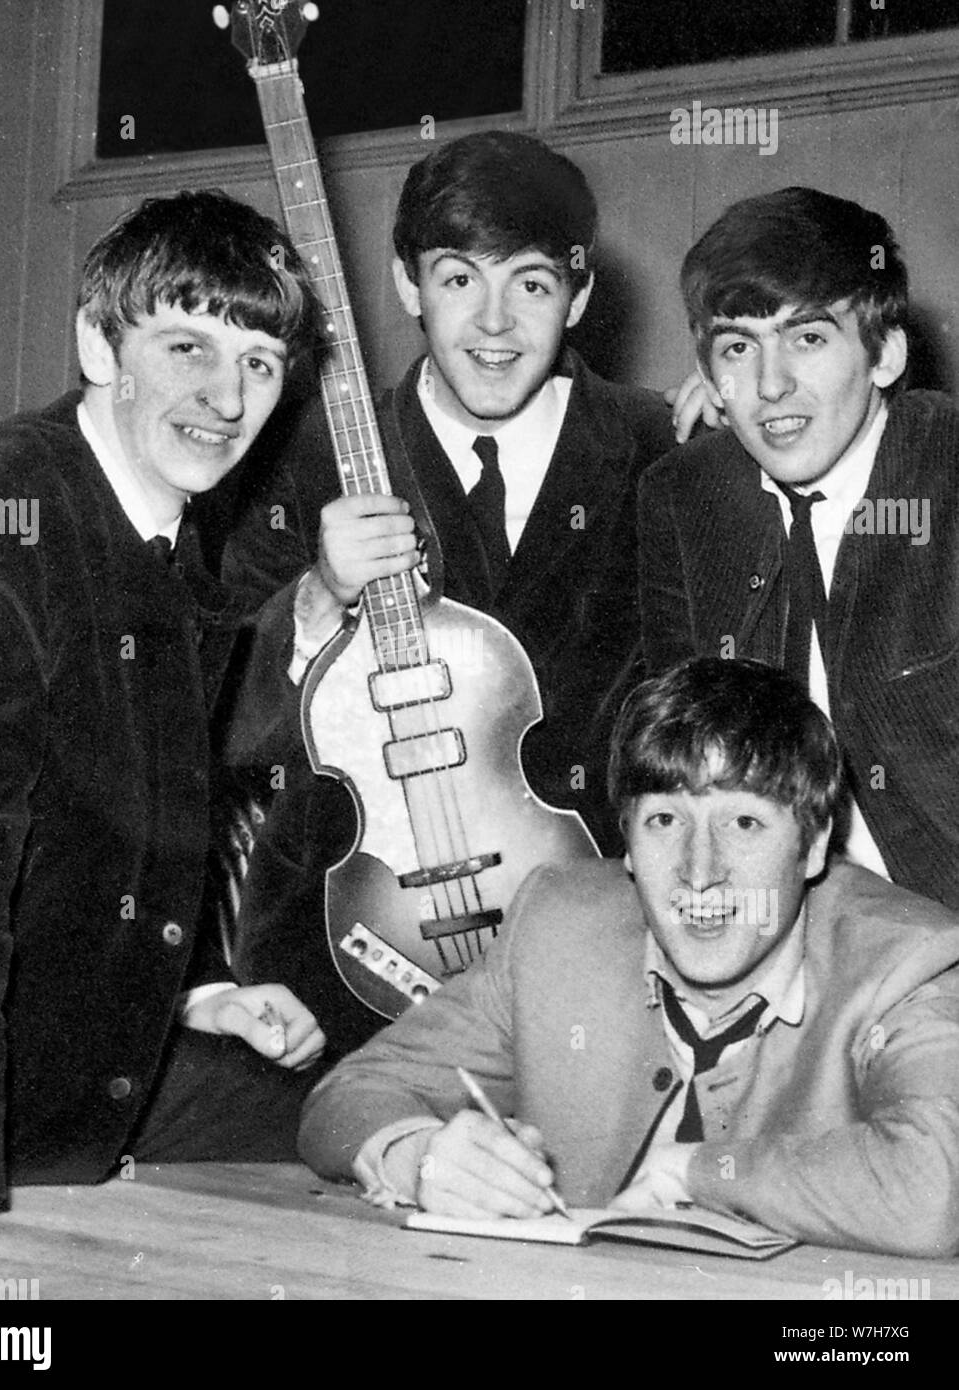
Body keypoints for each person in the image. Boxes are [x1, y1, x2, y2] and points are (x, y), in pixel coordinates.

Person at [0, 189, 329, 1257]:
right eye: (187, 345)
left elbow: (96, 825)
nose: (226, 398)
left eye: (261, 364)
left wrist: (195, 993)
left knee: (357, 1117)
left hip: (64, 1087)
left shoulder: (157, 525)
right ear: (99, 341)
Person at [216, 130, 680, 1053]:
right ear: (405, 286)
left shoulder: (660, 449)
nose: (495, 324)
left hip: (598, 951)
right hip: (343, 950)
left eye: (533, 284)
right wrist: (315, 599)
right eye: (460, 278)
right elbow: (224, 723)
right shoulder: (300, 450)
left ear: (580, 295)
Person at [297, 657, 959, 1257]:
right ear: (628, 846)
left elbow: (936, 1192)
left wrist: (695, 1170)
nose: (700, 874)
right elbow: (348, 1095)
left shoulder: (910, 962)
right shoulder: (555, 927)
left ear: (812, 847)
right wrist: (419, 1157)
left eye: (744, 823)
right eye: (664, 822)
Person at [638, 186, 959, 911]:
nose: (770, 383)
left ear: (884, 355)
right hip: (776, 932)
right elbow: (672, 763)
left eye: (807, 339)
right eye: (737, 347)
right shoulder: (684, 496)